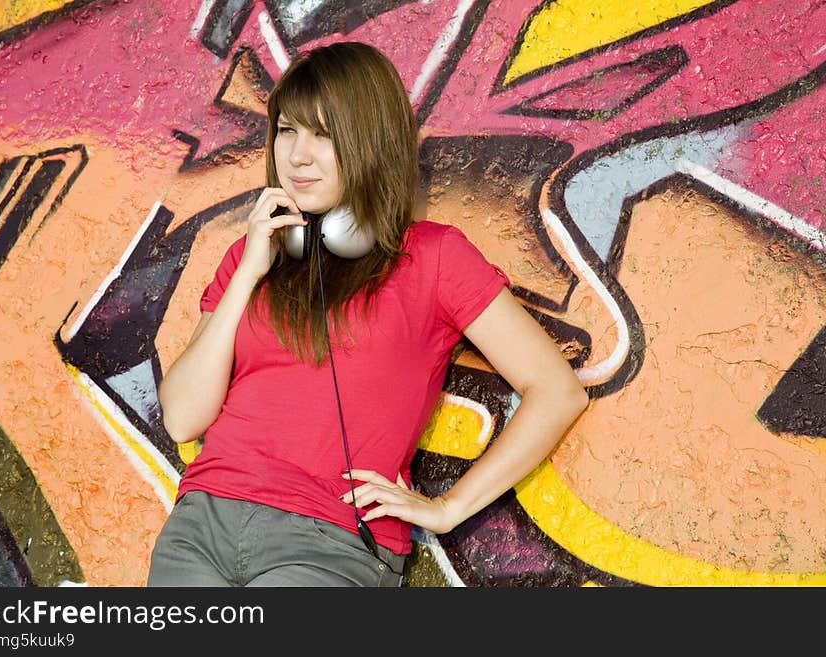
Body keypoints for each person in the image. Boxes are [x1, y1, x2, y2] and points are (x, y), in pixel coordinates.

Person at [146, 41, 589, 587]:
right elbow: (183, 417)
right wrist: (248, 274)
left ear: (370, 143)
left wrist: (447, 509)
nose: (298, 156)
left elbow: (557, 390)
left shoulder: (434, 256)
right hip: (199, 526)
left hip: (329, 543)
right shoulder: (250, 257)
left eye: (325, 135)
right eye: (287, 131)